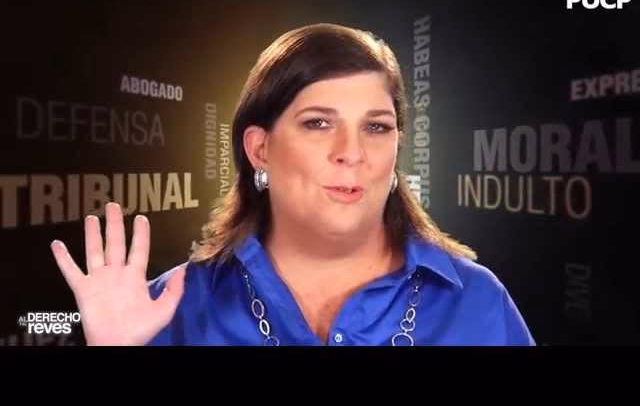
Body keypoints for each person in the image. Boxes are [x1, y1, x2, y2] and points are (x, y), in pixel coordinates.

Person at [51, 23, 536, 346]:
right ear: (260, 149)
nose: (352, 152)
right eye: (318, 123)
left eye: (376, 126)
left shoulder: (477, 302)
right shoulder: (168, 309)